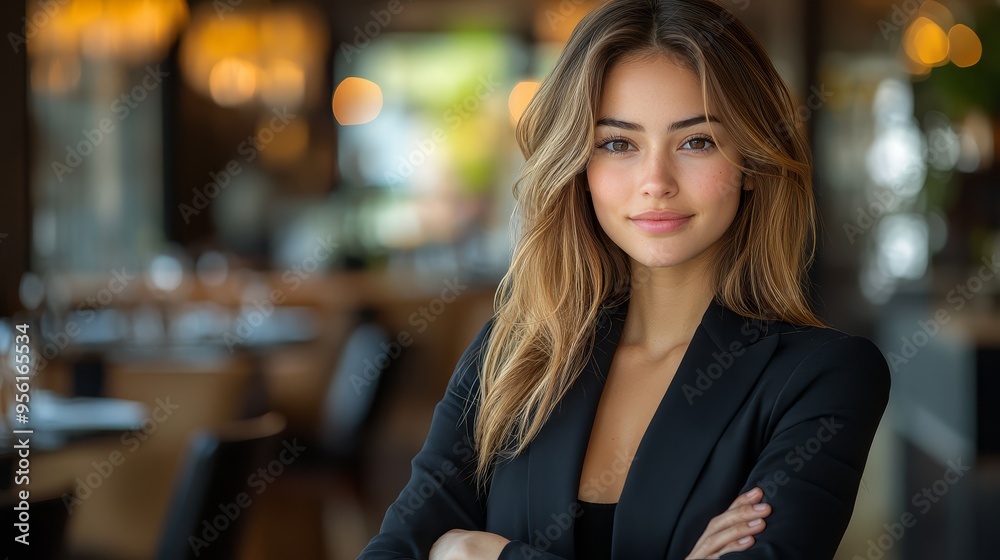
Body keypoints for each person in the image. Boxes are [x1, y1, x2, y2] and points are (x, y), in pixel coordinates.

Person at [358, 0, 891, 558]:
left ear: (752, 162)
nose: (656, 181)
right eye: (618, 144)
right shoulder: (513, 356)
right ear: (579, 167)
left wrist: (480, 554)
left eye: (697, 141)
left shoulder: (825, 377)